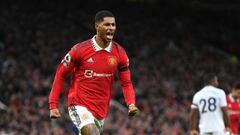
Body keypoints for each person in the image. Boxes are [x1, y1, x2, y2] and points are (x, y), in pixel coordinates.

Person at [48, 10, 140, 135]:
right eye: (107, 25)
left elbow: (126, 83)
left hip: (101, 111)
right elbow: (61, 74)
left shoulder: (120, 53)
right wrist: (53, 105)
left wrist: (131, 104)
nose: (111, 28)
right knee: (91, 131)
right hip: (78, 104)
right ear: (97, 26)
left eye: (113, 25)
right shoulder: (79, 50)